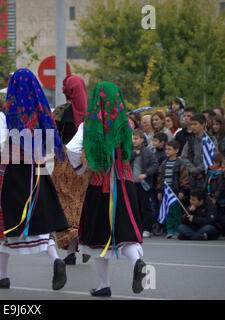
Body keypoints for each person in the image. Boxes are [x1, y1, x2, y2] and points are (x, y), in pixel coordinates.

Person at [0, 68, 69, 290]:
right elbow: (50, 145)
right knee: (39, 218)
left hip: (12, 171)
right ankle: (55, 259)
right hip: (38, 171)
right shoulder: (42, 111)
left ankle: (3, 275)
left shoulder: (8, 113)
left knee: (6, 224)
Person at [67, 82, 146, 297]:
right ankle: (137, 261)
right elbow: (128, 151)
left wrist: (82, 168)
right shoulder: (126, 124)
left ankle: (104, 284)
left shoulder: (89, 125)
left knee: (97, 238)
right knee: (125, 232)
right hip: (125, 183)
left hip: (100, 186)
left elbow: (72, 149)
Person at [52, 75, 90, 265]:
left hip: (64, 163)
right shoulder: (93, 114)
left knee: (65, 203)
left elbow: (53, 137)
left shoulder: (60, 112)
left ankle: (70, 250)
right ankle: (84, 241)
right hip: (86, 164)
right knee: (83, 202)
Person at [156, 140, 189, 238]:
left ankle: (177, 230)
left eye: (169, 149)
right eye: (166, 149)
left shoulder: (180, 163)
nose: (167, 151)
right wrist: (159, 191)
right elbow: (159, 177)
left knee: (176, 211)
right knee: (168, 211)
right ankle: (169, 230)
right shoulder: (164, 163)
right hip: (166, 191)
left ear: (176, 150)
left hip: (175, 191)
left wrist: (183, 190)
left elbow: (184, 177)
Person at [130, 129, 159, 238]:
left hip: (143, 183)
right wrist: (134, 154)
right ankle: (136, 227)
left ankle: (147, 228)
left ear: (142, 140)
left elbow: (155, 165)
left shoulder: (147, 152)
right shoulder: (129, 151)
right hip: (131, 183)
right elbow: (125, 160)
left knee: (145, 206)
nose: (134, 141)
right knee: (134, 206)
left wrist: (146, 174)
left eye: (136, 138)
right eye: (132, 138)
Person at [181, 114, 217, 190]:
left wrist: (198, 170)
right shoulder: (190, 139)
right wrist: (192, 169)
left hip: (207, 174)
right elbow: (184, 156)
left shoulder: (211, 139)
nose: (192, 126)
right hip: (192, 175)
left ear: (203, 125)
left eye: (195, 124)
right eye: (191, 124)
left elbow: (212, 157)